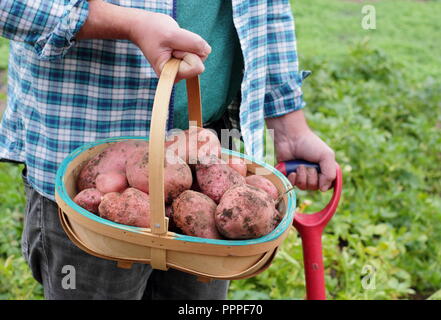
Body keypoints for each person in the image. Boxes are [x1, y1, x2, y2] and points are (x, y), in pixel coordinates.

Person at [0, 0, 336, 299]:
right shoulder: (107, 187)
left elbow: (267, 9)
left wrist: (289, 126)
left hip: (207, 147)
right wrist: (129, 23)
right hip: (87, 162)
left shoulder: (218, 195)